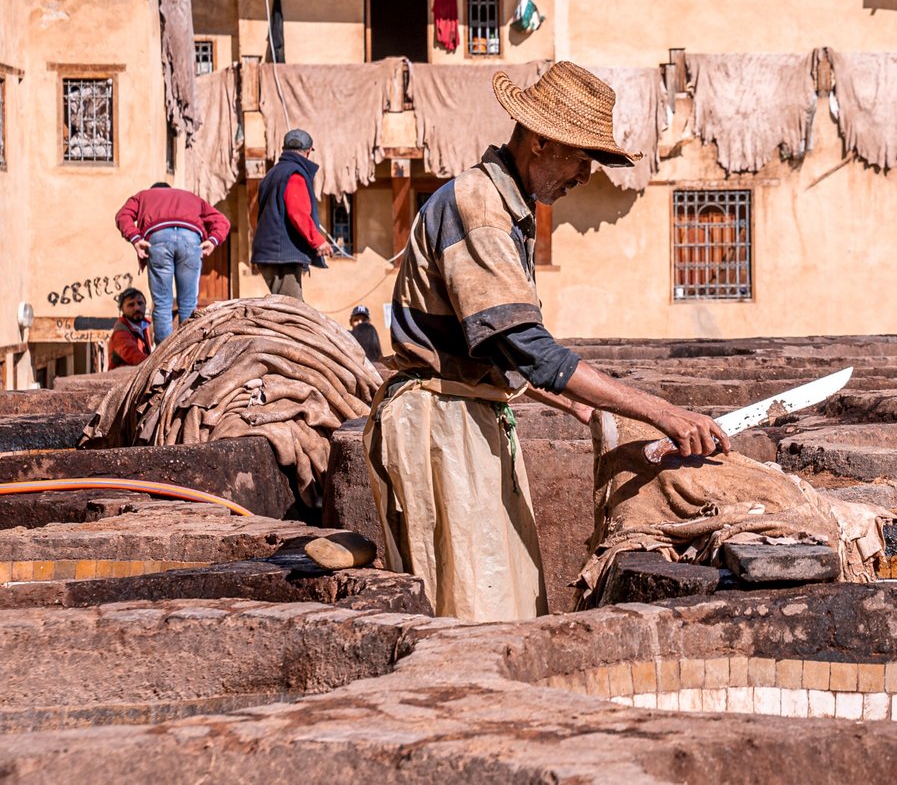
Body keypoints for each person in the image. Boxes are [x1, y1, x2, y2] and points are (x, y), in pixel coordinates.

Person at [364, 61, 730, 623]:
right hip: (439, 426)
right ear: (539, 142)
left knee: (503, 595)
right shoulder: (481, 208)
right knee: (471, 607)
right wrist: (664, 413)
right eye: (581, 157)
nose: (585, 175)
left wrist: (586, 410)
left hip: (468, 413)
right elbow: (532, 350)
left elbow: (499, 351)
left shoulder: (507, 207)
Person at [114, 181, 231, 344]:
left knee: (162, 303)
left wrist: (135, 238)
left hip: (158, 239)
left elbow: (122, 216)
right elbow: (222, 221)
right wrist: (213, 240)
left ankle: (164, 356)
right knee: (189, 303)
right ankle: (189, 348)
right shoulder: (191, 197)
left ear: (153, 191)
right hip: (190, 240)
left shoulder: (143, 196)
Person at [251, 129, 336, 301]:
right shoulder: (294, 174)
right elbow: (298, 213)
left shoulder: (271, 174)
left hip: (271, 252)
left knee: (287, 309)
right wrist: (318, 241)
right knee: (294, 311)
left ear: (283, 148)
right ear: (308, 151)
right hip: (282, 257)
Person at [107, 288, 152, 369]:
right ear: (122, 309)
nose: (137, 308)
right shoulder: (120, 333)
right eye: (131, 305)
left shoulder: (146, 326)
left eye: (140, 303)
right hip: (123, 379)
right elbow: (134, 356)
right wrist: (156, 363)